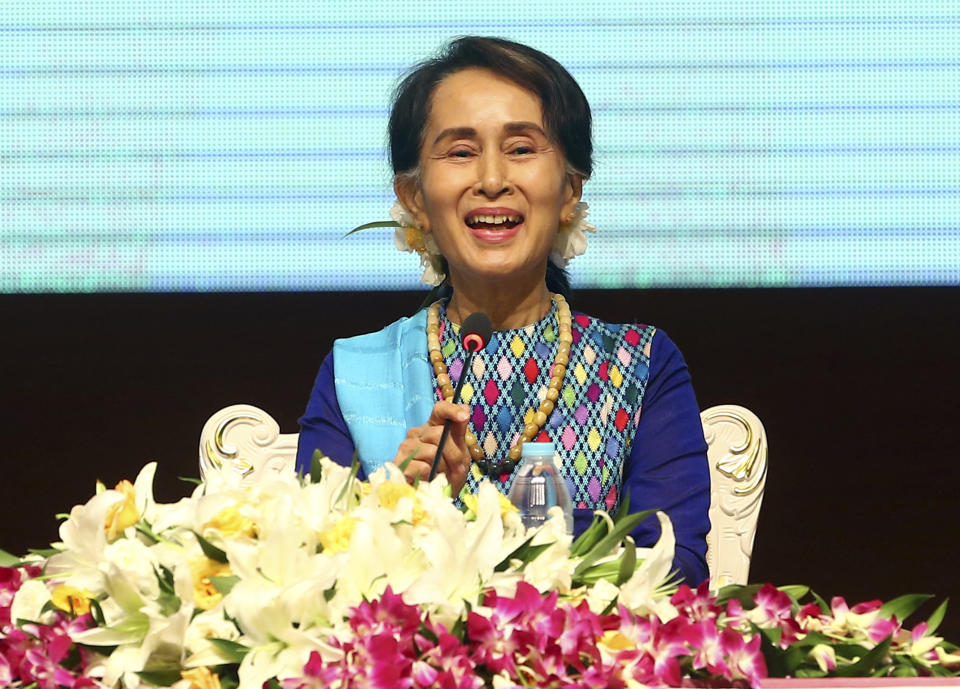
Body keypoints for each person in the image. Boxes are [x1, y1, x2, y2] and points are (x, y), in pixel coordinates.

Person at [296, 37, 710, 585]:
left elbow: (674, 569)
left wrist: (495, 544)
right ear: (414, 198)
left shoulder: (639, 365)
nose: (492, 180)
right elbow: (310, 570)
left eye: (520, 148)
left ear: (569, 188)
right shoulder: (356, 373)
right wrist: (395, 505)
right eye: (461, 152)